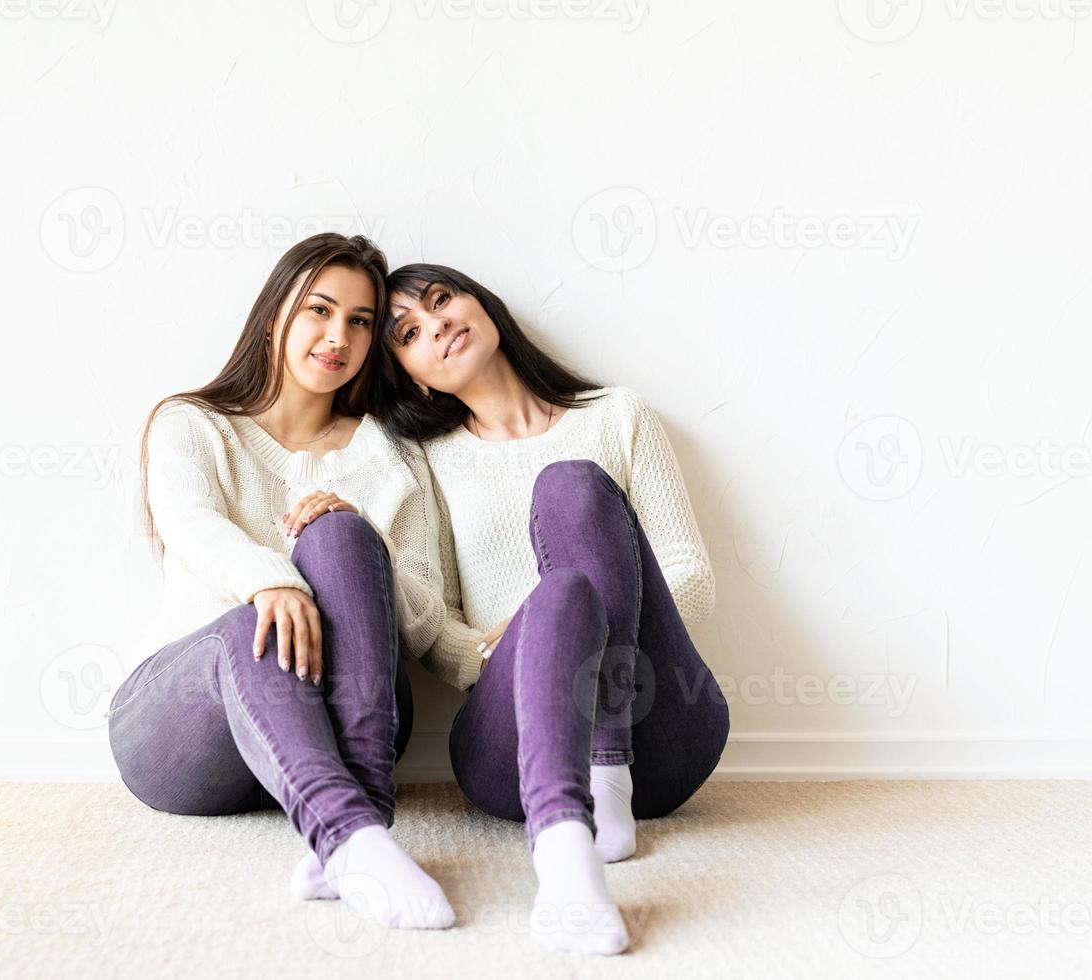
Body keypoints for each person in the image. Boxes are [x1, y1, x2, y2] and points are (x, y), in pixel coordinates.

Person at [372, 262, 730, 955]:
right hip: (514, 750)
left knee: (571, 488)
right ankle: (578, 802)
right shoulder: (427, 459)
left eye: (443, 300)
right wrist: (505, 642)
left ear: (483, 305)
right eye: (410, 331)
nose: (438, 323)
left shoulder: (617, 414)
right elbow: (426, 617)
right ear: (413, 374)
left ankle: (608, 758)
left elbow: (689, 573)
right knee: (561, 596)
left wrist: (609, 616)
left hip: (662, 737)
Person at [107, 234, 461, 930]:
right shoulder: (191, 425)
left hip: (346, 722)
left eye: (361, 322)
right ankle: (353, 834)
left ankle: (358, 828)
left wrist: (367, 542)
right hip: (185, 722)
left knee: (341, 530)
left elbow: (422, 614)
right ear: (275, 316)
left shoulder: (389, 451)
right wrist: (275, 582)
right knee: (248, 626)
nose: (339, 337)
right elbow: (194, 526)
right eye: (319, 310)